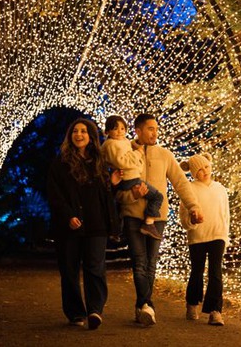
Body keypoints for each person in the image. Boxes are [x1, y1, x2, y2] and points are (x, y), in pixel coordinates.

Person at [115, 113, 203, 326]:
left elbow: (181, 183)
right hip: (133, 216)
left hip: (157, 217)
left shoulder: (164, 155)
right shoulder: (125, 155)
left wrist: (193, 206)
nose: (155, 132)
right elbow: (117, 192)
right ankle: (147, 305)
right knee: (139, 262)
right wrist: (132, 196)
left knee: (151, 263)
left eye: (156, 128)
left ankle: (142, 306)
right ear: (138, 130)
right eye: (150, 128)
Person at [47, 118, 121, 330]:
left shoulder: (99, 162)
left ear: (90, 137)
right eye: (75, 132)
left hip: (96, 225)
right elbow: (55, 195)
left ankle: (95, 310)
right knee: (69, 270)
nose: (79, 135)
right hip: (69, 226)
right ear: (70, 136)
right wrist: (68, 216)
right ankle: (75, 312)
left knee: (95, 268)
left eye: (84, 131)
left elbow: (104, 196)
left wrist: (112, 184)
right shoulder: (60, 163)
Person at [179, 153, 230, 326]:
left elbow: (225, 214)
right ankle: (192, 303)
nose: (204, 171)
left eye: (206, 167)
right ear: (193, 173)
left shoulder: (220, 189)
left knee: (216, 272)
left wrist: (225, 236)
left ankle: (215, 310)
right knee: (197, 271)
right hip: (198, 237)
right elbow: (184, 217)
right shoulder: (190, 189)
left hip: (218, 235)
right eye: (199, 170)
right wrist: (191, 221)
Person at [101, 115, 164, 240]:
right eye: (115, 128)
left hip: (131, 176)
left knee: (119, 207)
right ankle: (149, 223)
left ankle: (117, 230)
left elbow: (127, 152)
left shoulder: (122, 141)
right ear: (107, 131)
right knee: (157, 196)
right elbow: (123, 161)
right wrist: (138, 153)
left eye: (123, 128)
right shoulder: (112, 144)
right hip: (130, 178)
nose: (120, 131)